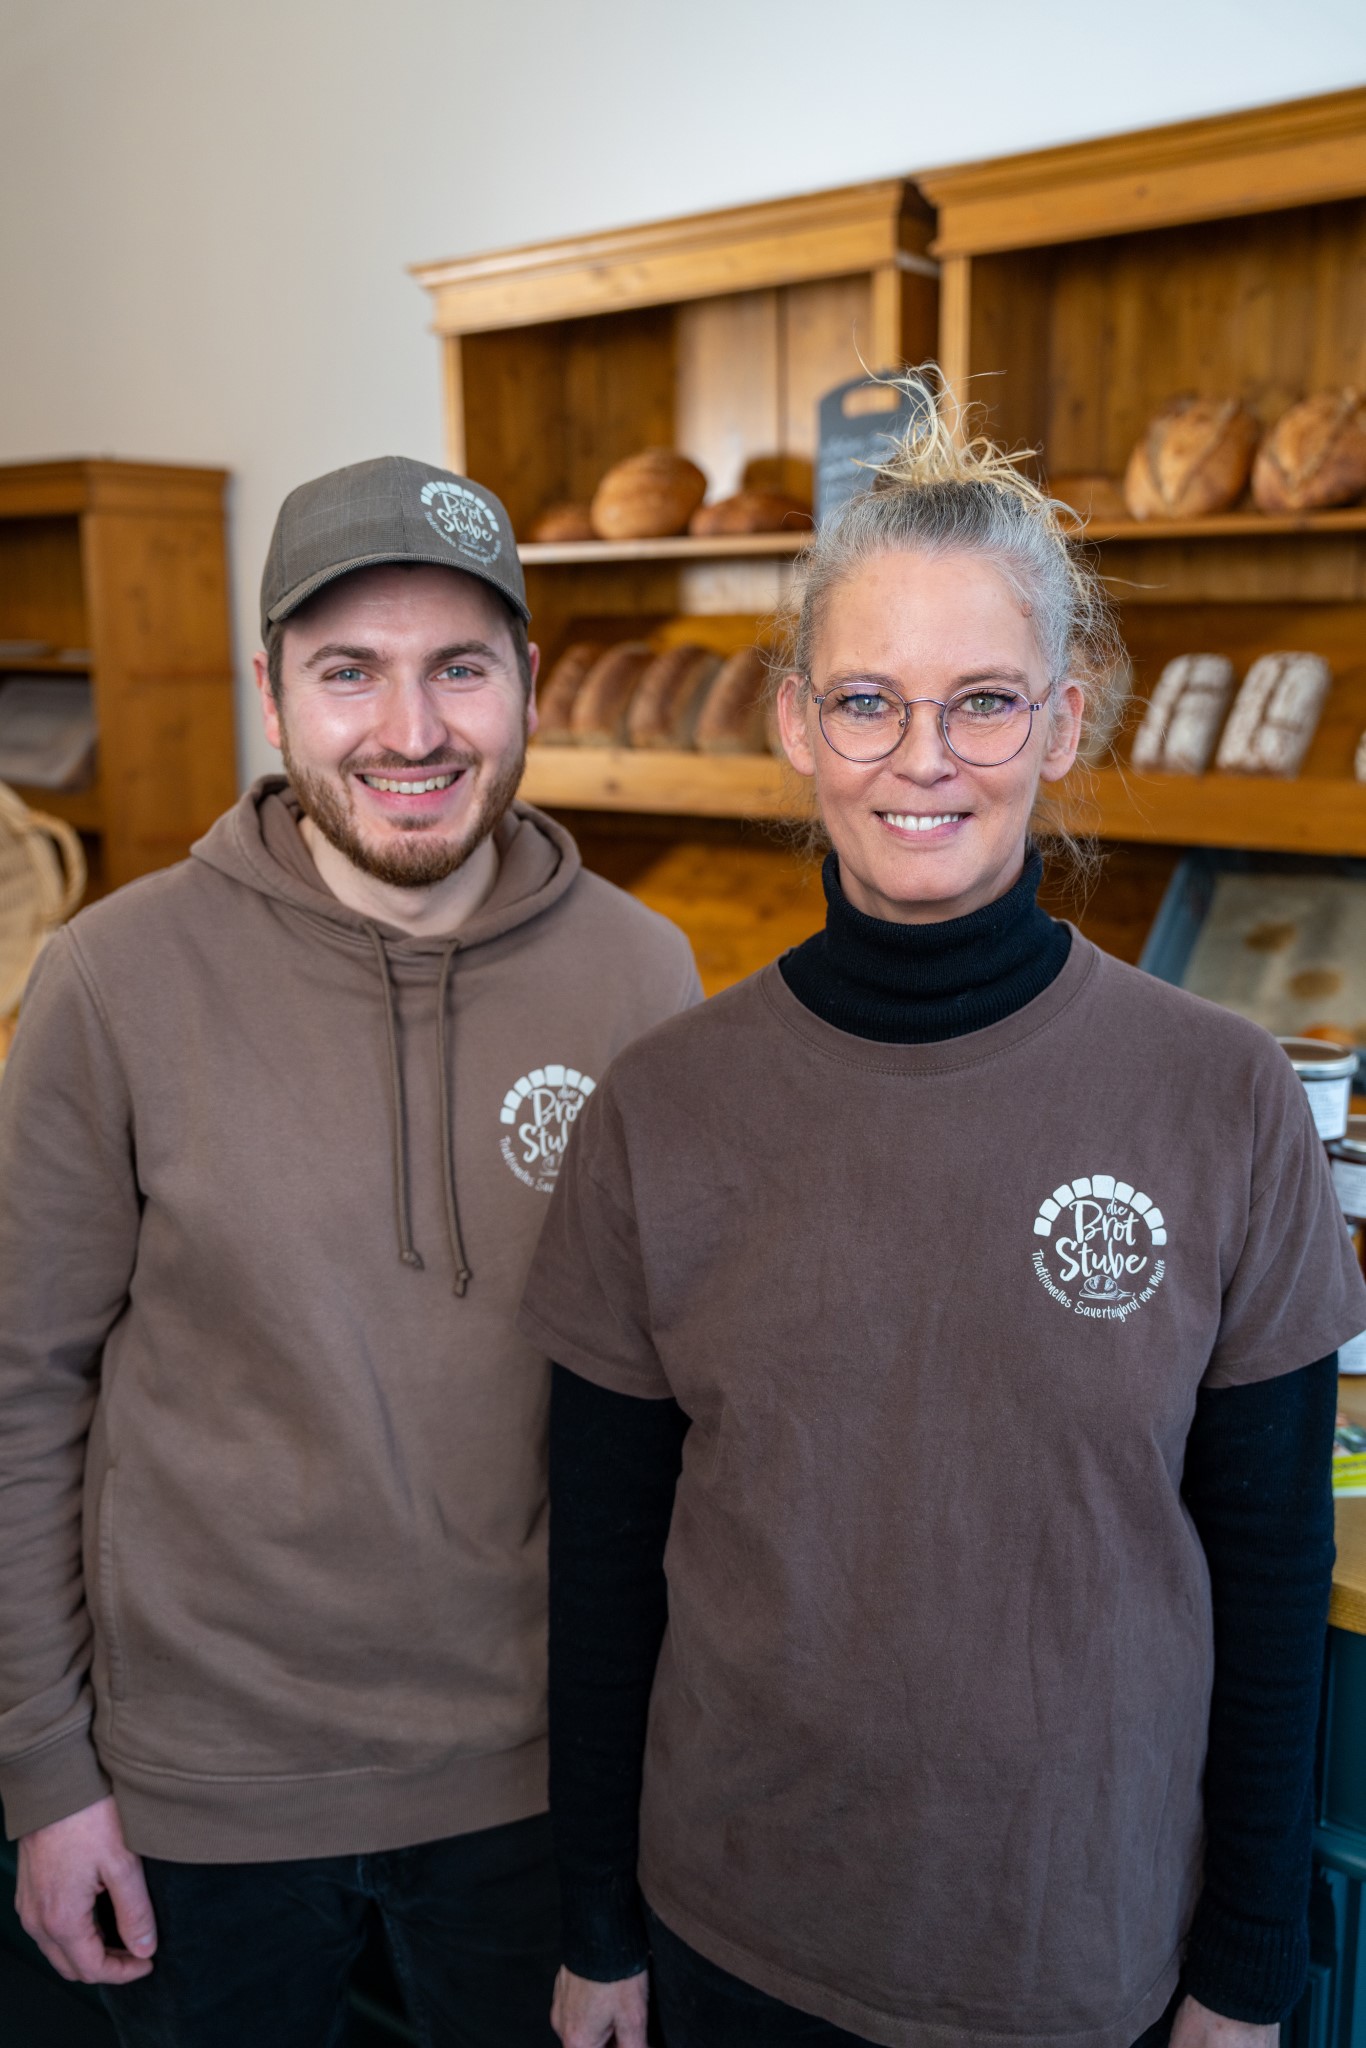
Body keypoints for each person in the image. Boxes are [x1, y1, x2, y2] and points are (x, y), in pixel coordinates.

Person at [520, 387, 1366, 2048]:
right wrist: (596, 1924)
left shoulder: (1221, 1096)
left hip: (1077, 1950)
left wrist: (1247, 1967)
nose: (922, 759)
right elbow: (605, 1569)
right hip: (730, 1931)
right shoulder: (662, 1106)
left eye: (981, 702)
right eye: (867, 701)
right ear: (795, 723)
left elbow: (1272, 1576)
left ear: (1062, 723)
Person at [0, 454, 700, 2048]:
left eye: (458, 668)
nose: (409, 730)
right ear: (270, 696)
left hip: (544, 1782)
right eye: (347, 673)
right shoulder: (113, 979)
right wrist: (44, 1774)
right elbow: (21, 1393)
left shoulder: (644, 980)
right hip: (199, 1791)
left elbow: (677, 1404)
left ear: (527, 684)